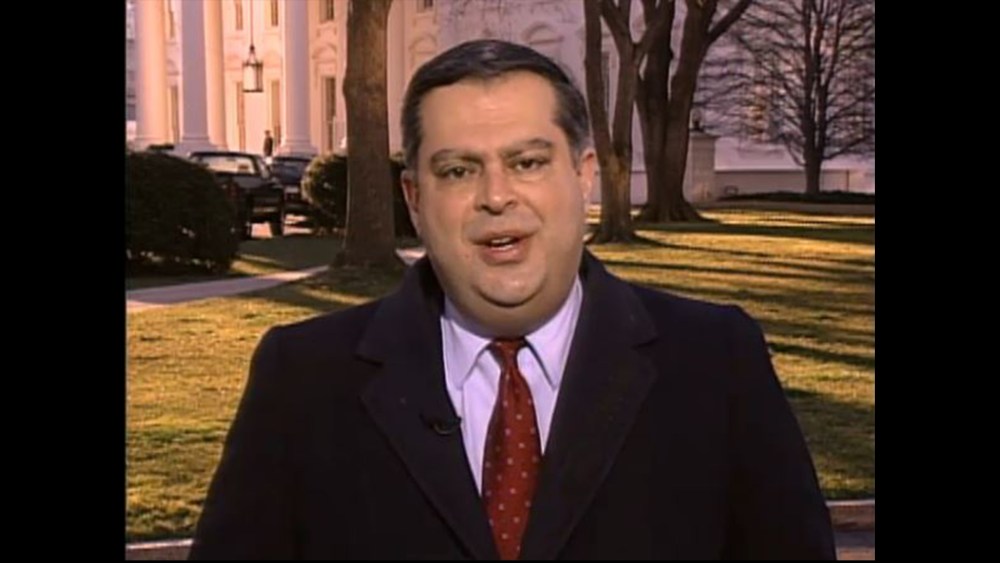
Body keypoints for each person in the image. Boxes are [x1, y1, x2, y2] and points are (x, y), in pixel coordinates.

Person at [190, 40, 835, 560]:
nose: (496, 196)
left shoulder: (715, 362)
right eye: (458, 171)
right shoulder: (304, 380)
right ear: (414, 199)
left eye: (527, 162)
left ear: (584, 175)